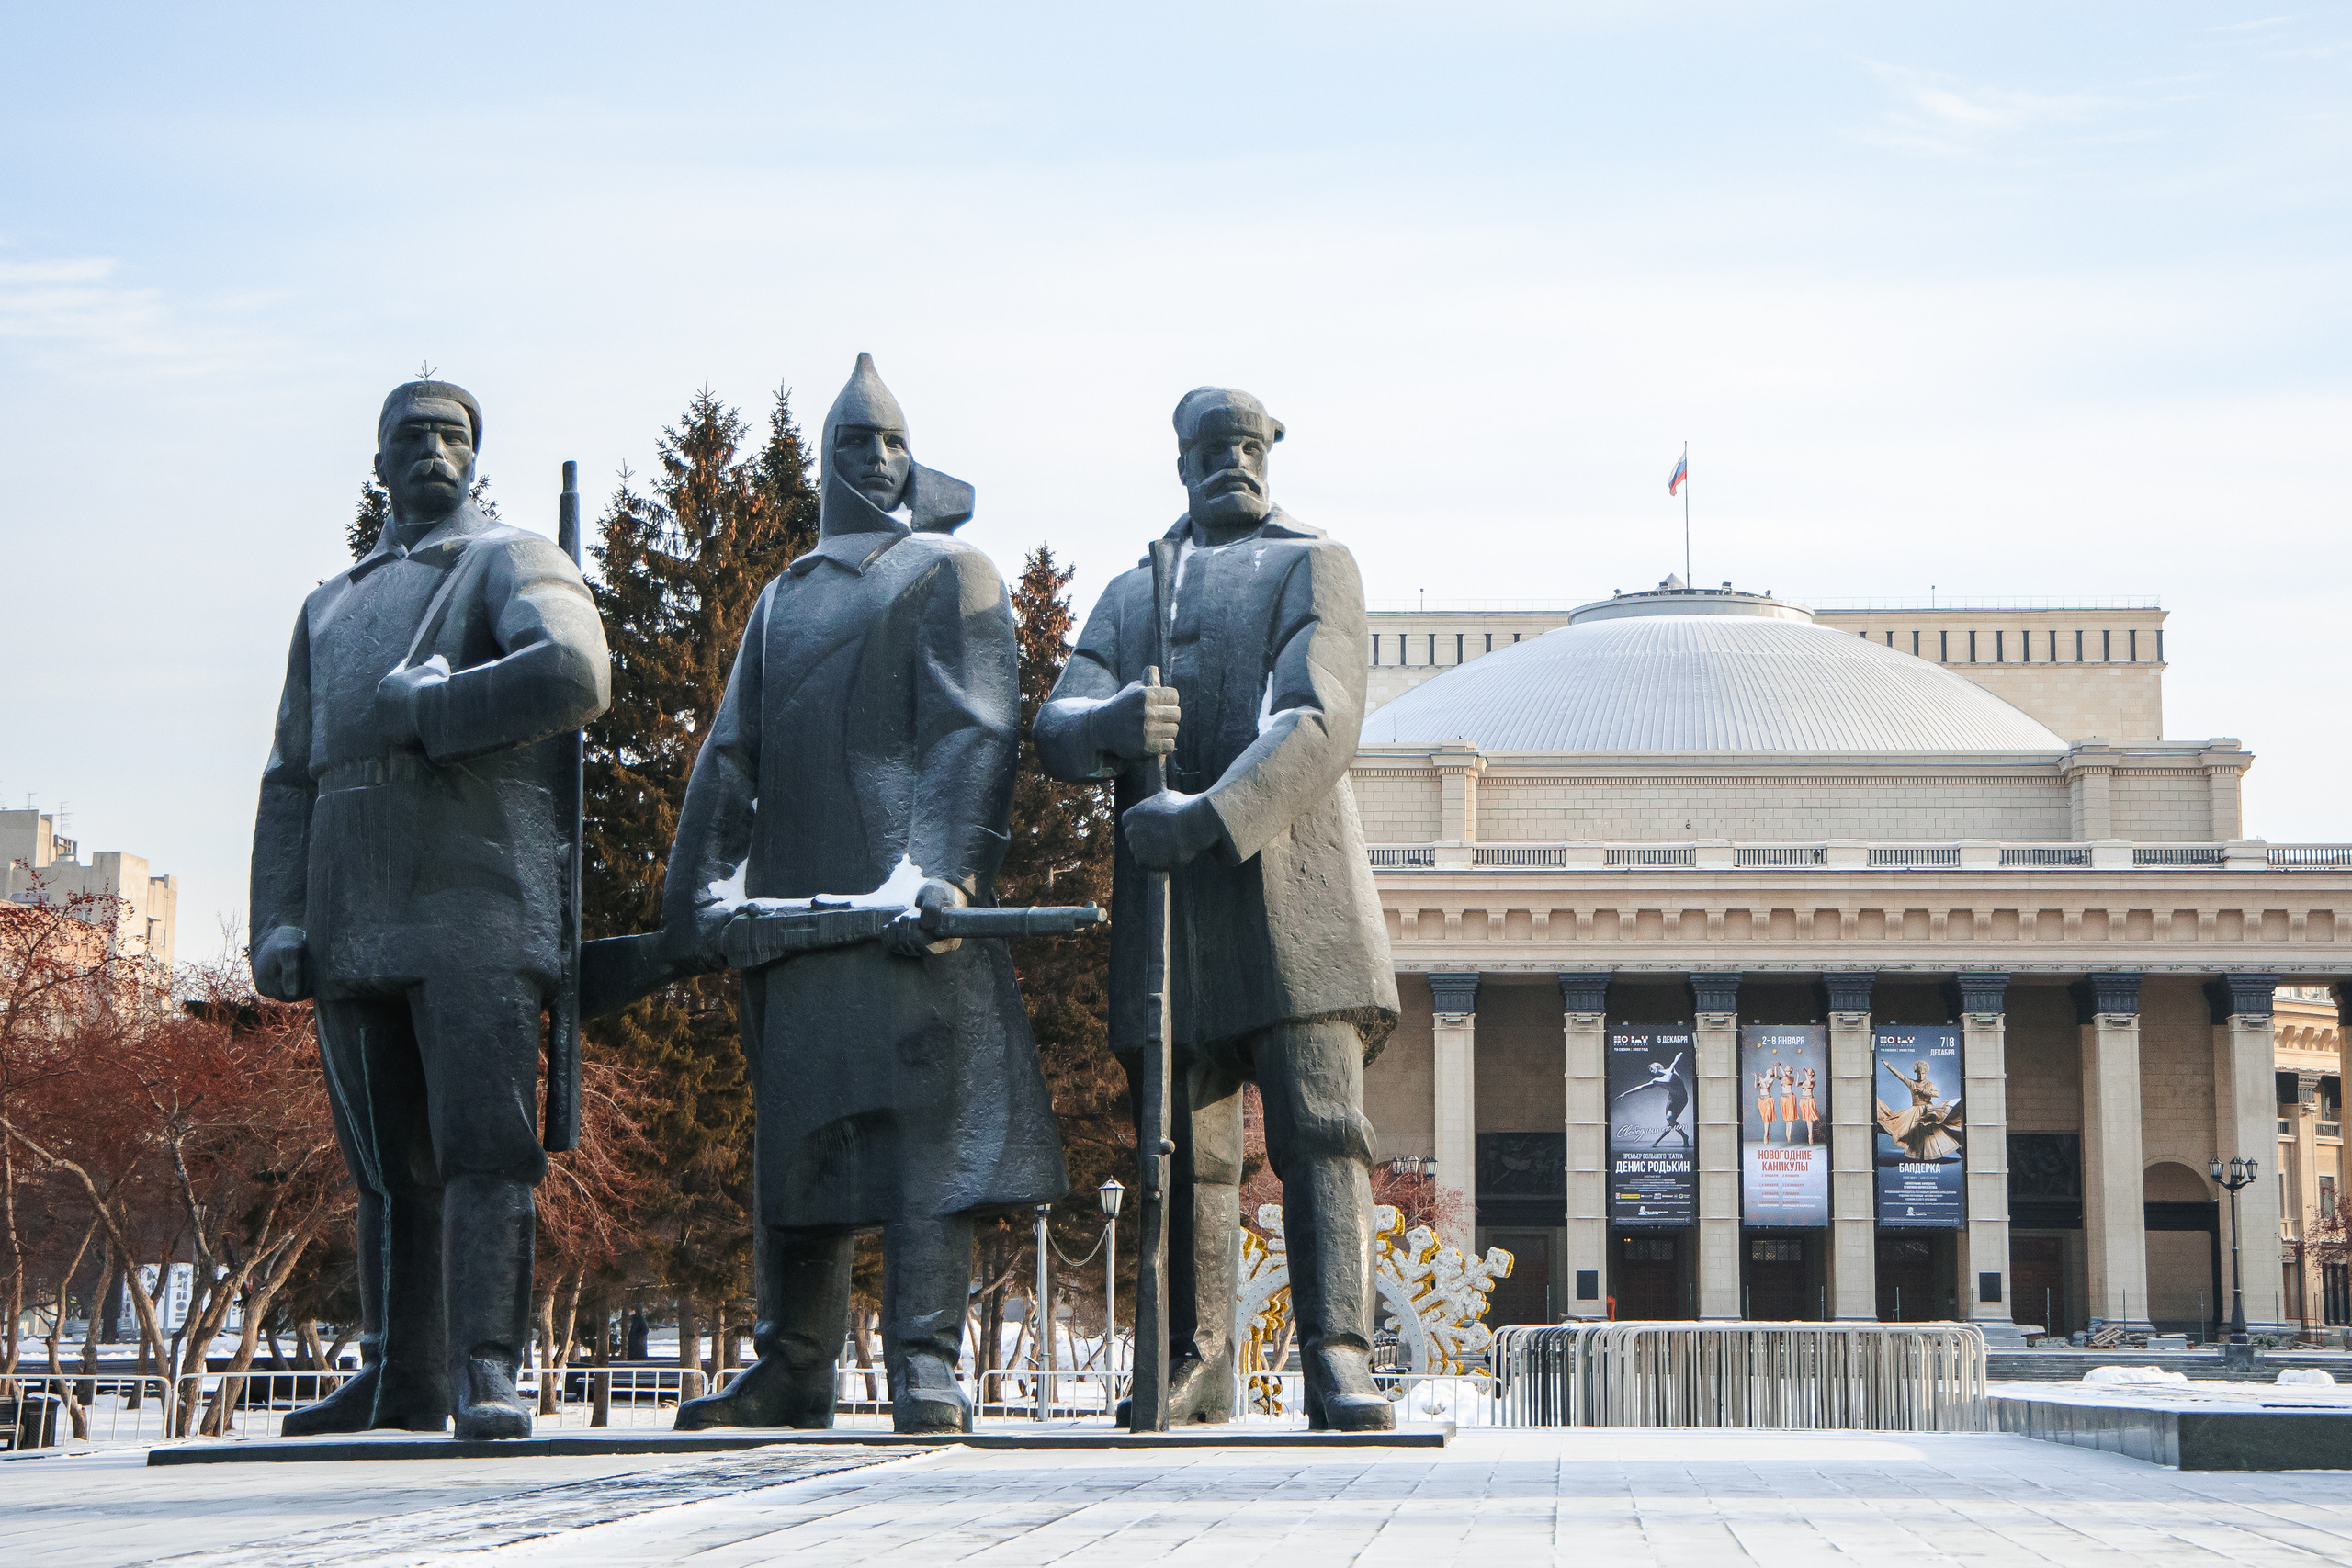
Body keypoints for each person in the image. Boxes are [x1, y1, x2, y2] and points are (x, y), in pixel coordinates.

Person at [661, 355, 1065, 1436]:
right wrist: (698, 886)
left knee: (922, 1140)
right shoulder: (783, 595)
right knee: (797, 1142)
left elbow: (969, 735)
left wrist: (937, 871)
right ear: (826, 462)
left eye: (892, 441)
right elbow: (731, 752)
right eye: (857, 443)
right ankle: (792, 1363)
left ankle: (925, 1362)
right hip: (793, 907)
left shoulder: (950, 574)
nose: (878, 460)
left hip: (904, 908)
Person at [1033, 387, 1399, 1431]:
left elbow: (1317, 718)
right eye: (1211, 448)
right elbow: (1055, 726)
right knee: (1184, 1153)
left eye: (1248, 445)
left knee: (1322, 1132)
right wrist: (1107, 720)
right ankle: (1196, 1363)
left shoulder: (1310, 563)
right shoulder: (1131, 590)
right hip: (1172, 923)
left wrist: (1205, 816)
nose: (1230, 462)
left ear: (1269, 455)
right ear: (1183, 461)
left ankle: (1338, 1357)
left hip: (1294, 907)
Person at [251, 380, 611, 1438]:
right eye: (412, 436)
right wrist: (282, 915)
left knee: (481, 1146)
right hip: (351, 907)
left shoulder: (508, 558)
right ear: (380, 462)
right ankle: (398, 1375)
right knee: (383, 1163)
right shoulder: (332, 604)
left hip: (477, 903)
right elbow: (288, 774)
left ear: (475, 456)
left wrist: (444, 709)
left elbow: (577, 672)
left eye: (454, 435)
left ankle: (484, 1369)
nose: (433, 450)